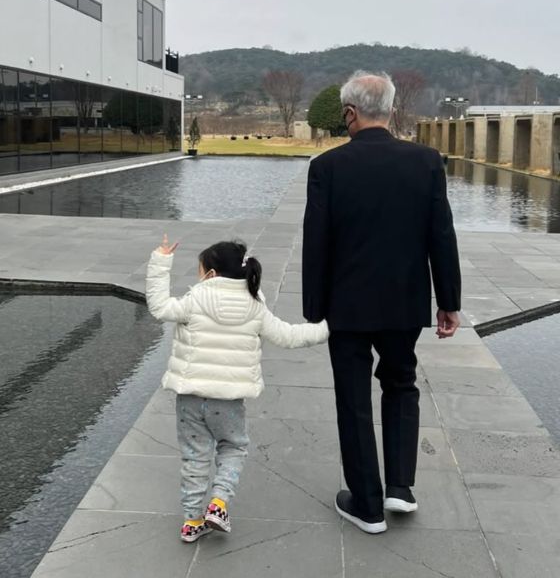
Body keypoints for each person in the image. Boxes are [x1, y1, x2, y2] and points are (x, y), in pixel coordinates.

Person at [302, 71, 461, 534]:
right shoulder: (426, 162)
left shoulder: (328, 167)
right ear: (390, 111)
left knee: (353, 398)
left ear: (349, 113)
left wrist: (314, 310)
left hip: (347, 306)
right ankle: (400, 488)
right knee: (401, 384)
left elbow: (316, 243)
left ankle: (367, 505)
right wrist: (448, 301)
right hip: (404, 303)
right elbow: (441, 235)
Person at [146, 235, 329, 543]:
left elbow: (159, 306)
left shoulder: (194, 300)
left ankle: (192, 521)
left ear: (211, 274)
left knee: (194, 456)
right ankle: (218, 502)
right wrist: (329, 327)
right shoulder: (255, 306)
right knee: (233, 447)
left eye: (199, 270)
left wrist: (161, 260)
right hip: (227, 402)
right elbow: (289, 336)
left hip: (190, 398)